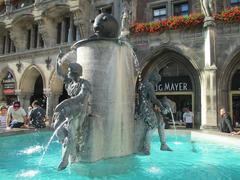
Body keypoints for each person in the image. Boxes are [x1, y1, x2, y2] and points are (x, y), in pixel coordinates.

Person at [53, 50, 91, 171]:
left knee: (72, 132)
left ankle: (64, 160)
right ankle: (65, 140)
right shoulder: (69, 82)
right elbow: (60, 73)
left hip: (81, 110)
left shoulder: (85, 83)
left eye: (69, 71)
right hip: (70, 108)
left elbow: (81, 97)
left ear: (75, 72)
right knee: (56, 124)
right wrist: (57, 61)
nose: (67, 72)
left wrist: (64, 102)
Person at [137, 71, 172, 155]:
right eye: (157, 82)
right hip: (145, 108)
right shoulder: (149, 85)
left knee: (161, 122)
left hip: (147, 107)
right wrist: (162, 107)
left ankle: (163, 144)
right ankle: (146, 148)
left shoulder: (144, 84)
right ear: (154, 79)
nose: (157, 84)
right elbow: (153, 99)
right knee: (152, 126)